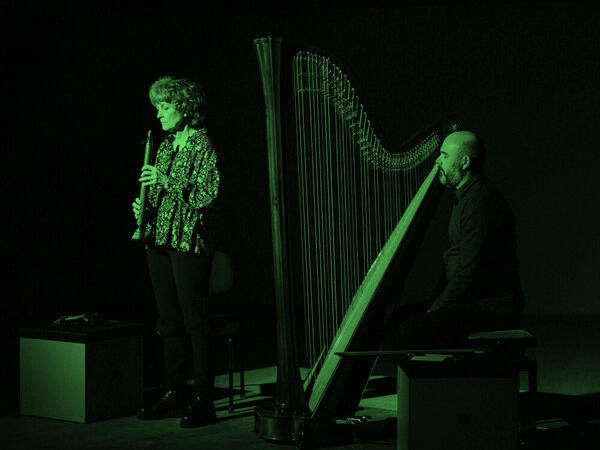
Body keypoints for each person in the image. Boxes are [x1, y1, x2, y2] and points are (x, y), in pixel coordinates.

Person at [132, 75, 220, 428]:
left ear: (184, 107)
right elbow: (158, 196)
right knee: (168, 322)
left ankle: (204, 400)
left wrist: (165, 181)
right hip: (159, 239)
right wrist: (143, 209)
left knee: (195, 322)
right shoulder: (166, 145)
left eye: (165, 107)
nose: (159, 114)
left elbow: (206, 196)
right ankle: (173, 392)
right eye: (158, 108)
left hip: (188, 241)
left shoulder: (203, 144)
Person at [390, 130, 524, 350]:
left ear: (465, 161)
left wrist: (437, 307)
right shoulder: (466, 196)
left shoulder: (480, 201)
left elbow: (469, 271)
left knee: (408, 330)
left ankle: (440, 374)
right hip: (470, 300)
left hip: (491, 306)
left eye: (444, 155)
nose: (437, 160)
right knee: (396, 319)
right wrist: (436, 301)